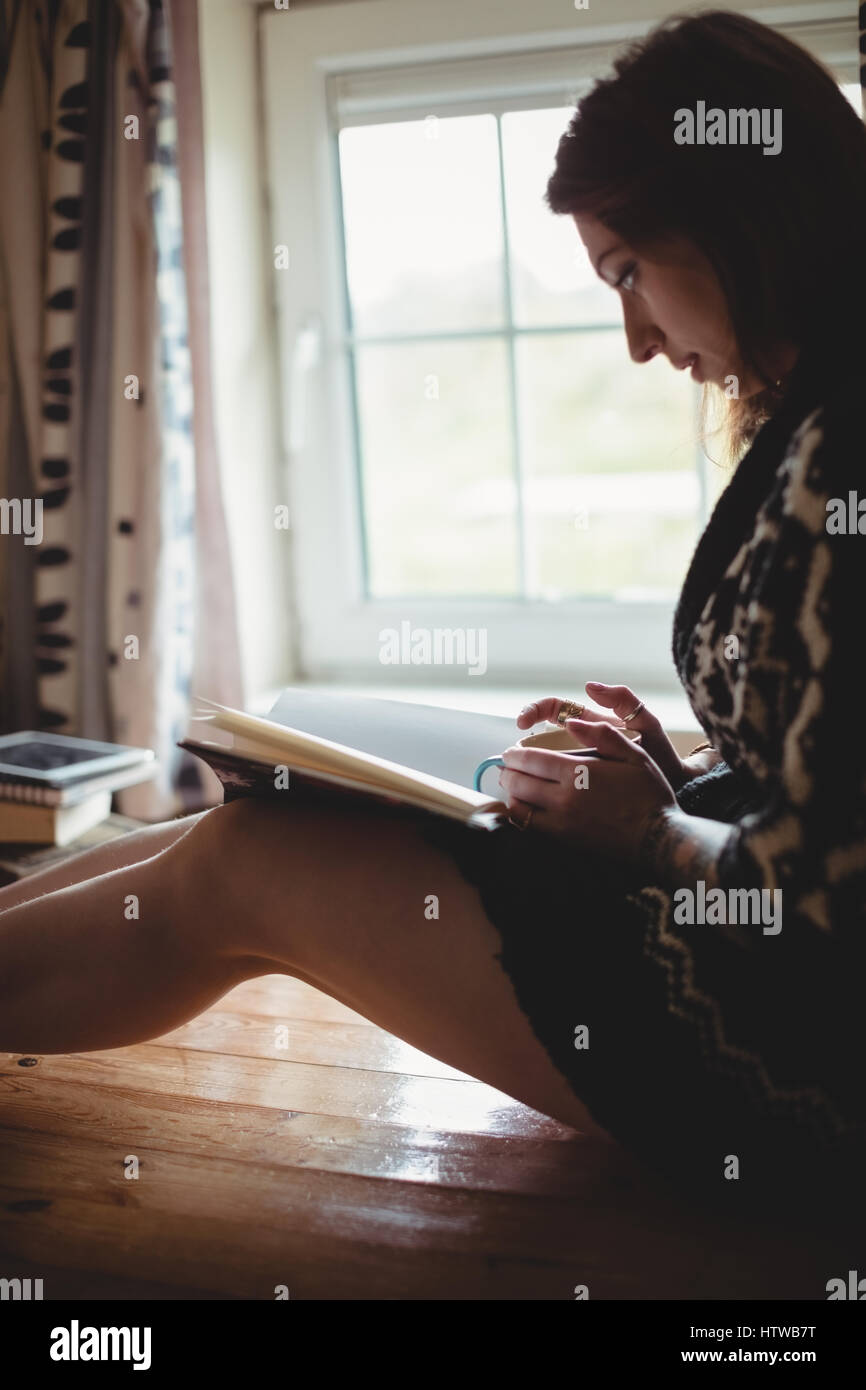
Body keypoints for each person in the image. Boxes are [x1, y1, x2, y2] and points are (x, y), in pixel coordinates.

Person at [2, 10, 864, 1219]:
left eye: (627, 273)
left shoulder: (844, 454)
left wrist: (650, 837)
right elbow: (821, 788)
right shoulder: (817, 422)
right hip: (743, 967)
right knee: (224, 838)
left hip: (788, 1063)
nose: (633, 340)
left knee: (246, 866)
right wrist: (674, 776)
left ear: (736, 218)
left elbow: (824, 909)